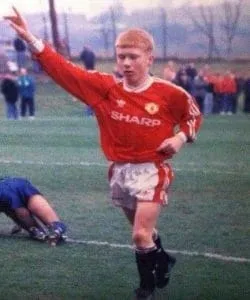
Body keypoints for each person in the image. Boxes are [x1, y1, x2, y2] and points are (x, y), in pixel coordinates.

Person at [4, 8, 202, 299]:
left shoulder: (169, 93)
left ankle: (146, 289)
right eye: (121, 57)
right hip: (120, 171)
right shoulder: (104, 88)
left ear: (150, 58)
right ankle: (162, 258)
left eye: (133, 57)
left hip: (151, 169)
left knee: (139, 235)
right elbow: (63, 69)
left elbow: (193, 115)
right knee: (143, 231)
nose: (126, 63)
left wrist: (181, 138)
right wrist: (31, 39)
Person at [0, 176, 67, 246]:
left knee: (16, 213)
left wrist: (29, 226)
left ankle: (37, 231)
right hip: (20, 184)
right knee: (55, 223)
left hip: (8, 191)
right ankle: (56, 229)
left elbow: (21, 213)